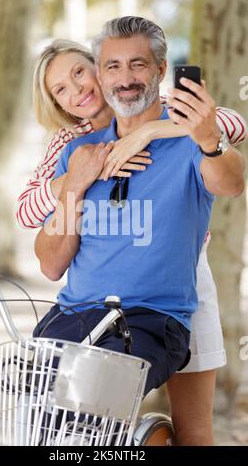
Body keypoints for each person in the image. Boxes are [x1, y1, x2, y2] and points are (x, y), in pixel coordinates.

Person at [18, 28, 247, 444]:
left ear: (160, 70)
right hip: (87, 307)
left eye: (79, 74)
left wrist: (156, 132)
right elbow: (40, 239)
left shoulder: (187, 129)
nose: (79, 89)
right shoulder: (73, 147)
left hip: (175, 289)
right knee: (47, 422)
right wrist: (74, 182)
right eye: (62, 89)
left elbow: (229, 151)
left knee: (184, 425)